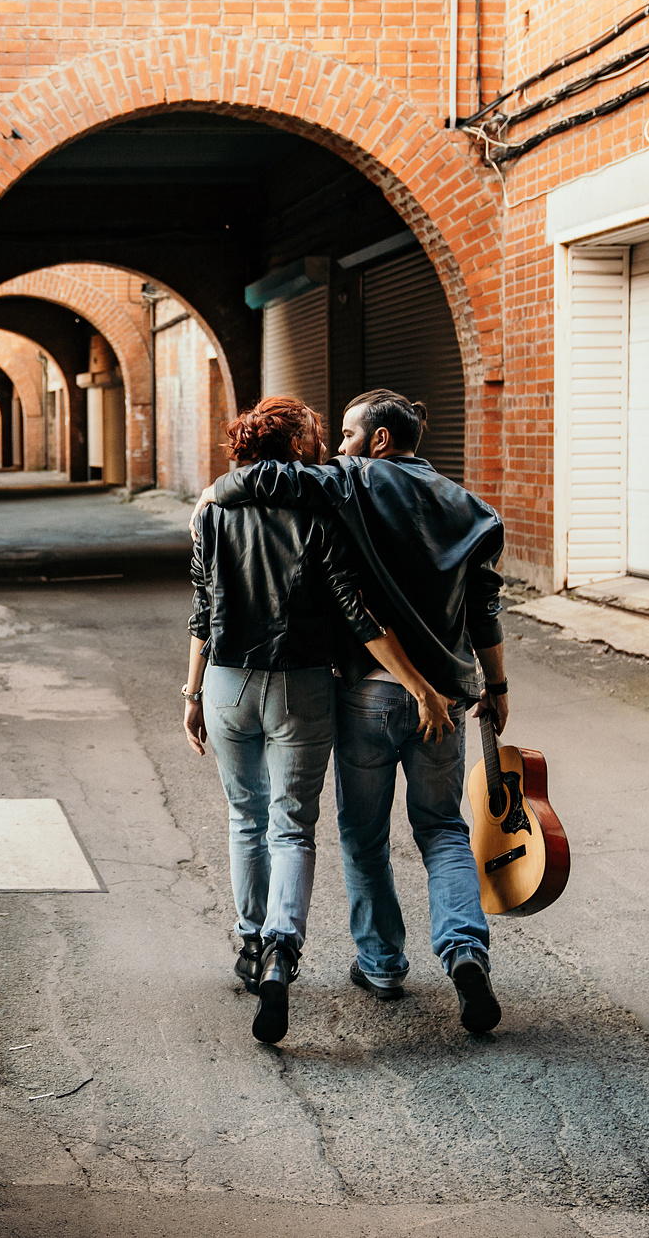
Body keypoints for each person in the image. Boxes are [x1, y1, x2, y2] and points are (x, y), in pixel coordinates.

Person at [201, 389, 510, 1035]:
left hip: (366, 690)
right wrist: (498, 684)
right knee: (443, 830)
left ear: (376, 442)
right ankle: (465, 955)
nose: (336, 447)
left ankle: (380, 962)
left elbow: (265, 475)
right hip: (445, 699)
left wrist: (215, 496)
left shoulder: (350, 482)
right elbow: (484, 608)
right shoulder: (469, 508)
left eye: (345, 435)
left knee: (363, 837)